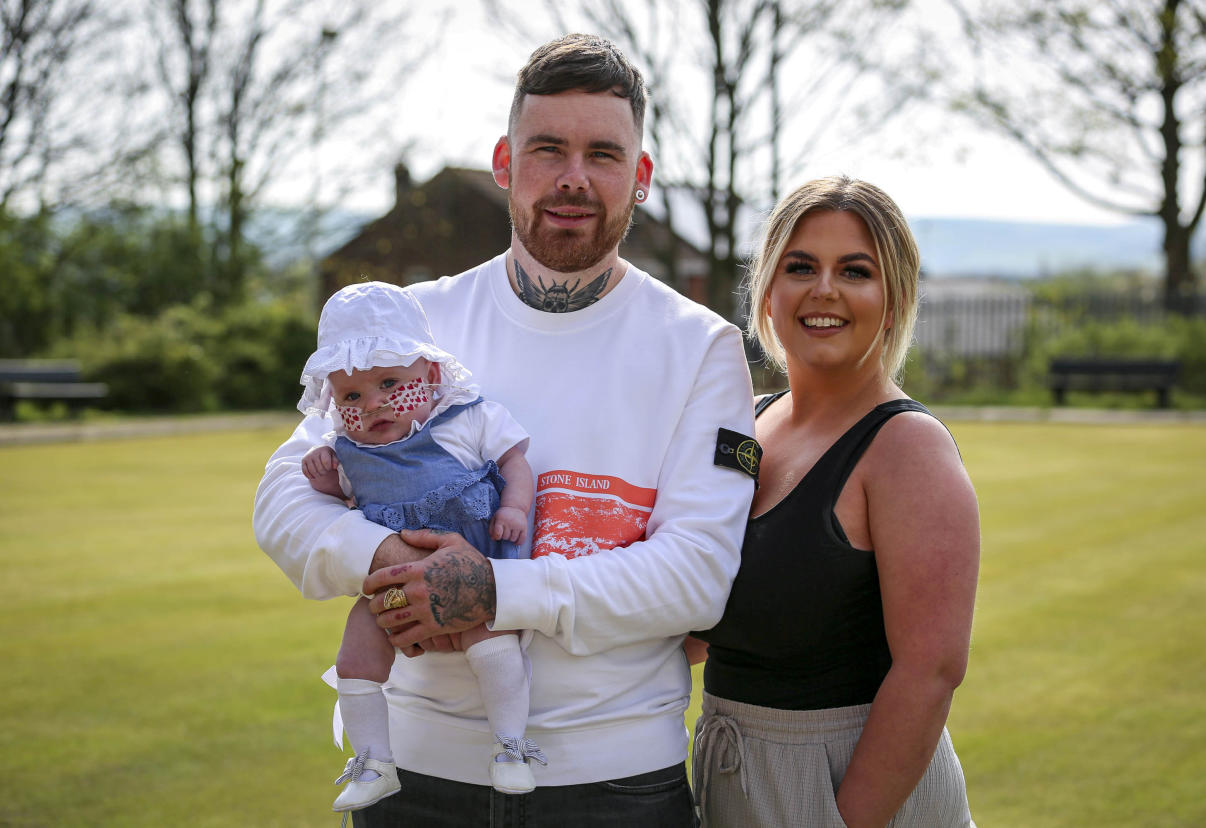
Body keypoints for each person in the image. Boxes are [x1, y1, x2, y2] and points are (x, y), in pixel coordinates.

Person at [253, 33, 756, 826]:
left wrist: (494, 590)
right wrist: (388, 559)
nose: (573, 178)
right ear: (504, 162)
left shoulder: (702, 348)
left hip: (618, 786)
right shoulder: (414, 319)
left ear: (643, 177)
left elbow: (696, 575)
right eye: (547, 148)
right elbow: (283, 501)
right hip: (412, 784)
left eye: (603, 154)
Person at [687, 176, 979, 827]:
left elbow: (930, 672)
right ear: (768, 288)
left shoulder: (907, 447)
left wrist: (845, 816)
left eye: (855, 271)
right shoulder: (746, 427)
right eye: (800, 267)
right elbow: (697, 599)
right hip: (731, 767)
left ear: (895, 298)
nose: (824, 289)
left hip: (850, 784)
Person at [296, 281, 543, 812]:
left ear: (430, 375)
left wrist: (513, 510)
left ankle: (511, 745)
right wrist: (320, 476)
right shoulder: (346, 449)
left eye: (390, 382)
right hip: (393, 581)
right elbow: (334, 506)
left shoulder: (465, 416)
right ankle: (373, 761)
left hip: (474, 566)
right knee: (356, 653)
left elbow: (515, 462)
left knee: (491, 640)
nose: (375, 403)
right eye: (353, 396)